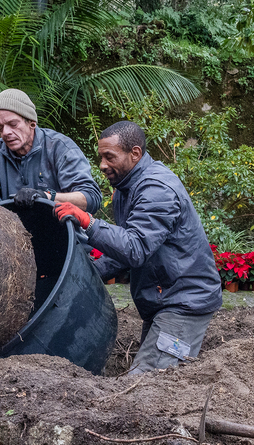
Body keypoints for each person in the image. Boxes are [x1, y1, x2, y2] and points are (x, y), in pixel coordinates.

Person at [55, 121, 222, 374]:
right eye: (101, 157)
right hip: (164, 299)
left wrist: (89, 222)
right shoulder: (127, 187)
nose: (102, 165)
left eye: (109, 157)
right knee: (150, 380)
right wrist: (85, 271)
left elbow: (135, 247)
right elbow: (125, 252)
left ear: (135, 153)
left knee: (147, 383)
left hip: (184, 303)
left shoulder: (156, 189)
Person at [0, 88, 101, 213]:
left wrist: (47, 196)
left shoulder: (60, 148)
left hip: (63, 228)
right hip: (9, 230)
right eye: (0, 127)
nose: (6, 132)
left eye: (13, 124)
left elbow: (91, 198)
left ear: (32, 123)